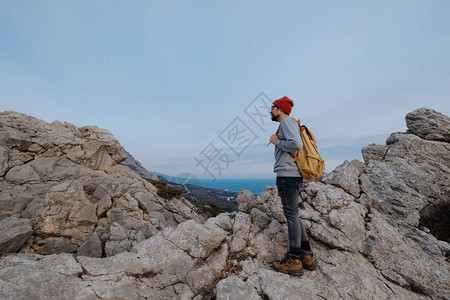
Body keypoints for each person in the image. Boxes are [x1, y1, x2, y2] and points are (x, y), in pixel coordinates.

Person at [268, 96, 317, 276]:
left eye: (273, 108)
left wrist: (276, 141)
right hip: (291, 176)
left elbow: (296, 144)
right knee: (294, 215)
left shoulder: (287, 122)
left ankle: (295, 259)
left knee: (291, 216)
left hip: (288, 176)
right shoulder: (288, 123)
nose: (271, 111)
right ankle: (307, 255)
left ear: (281, 109)